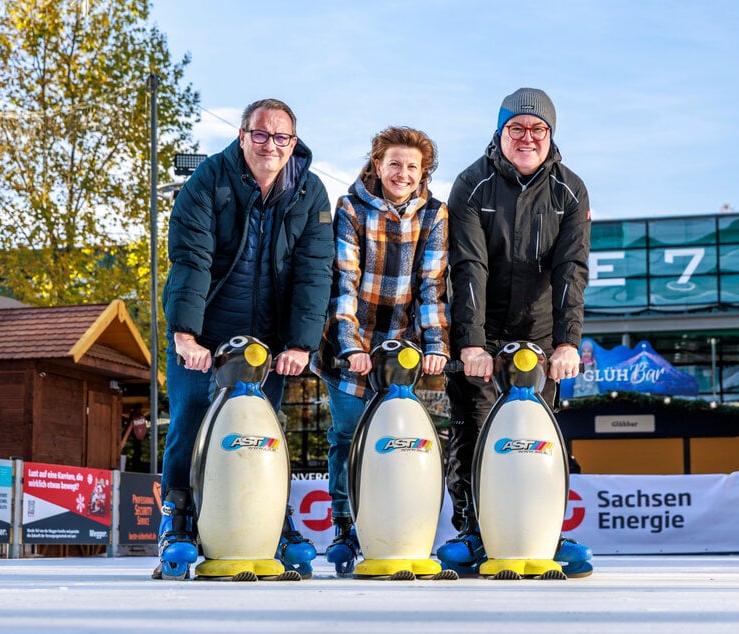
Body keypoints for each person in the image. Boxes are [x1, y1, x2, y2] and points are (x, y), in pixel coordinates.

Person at [158, 98, 335, 579]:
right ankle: (178, 522)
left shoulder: (310, 193)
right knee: (191, 423)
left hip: (268, 342)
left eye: (281, 137)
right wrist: (186, 335)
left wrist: (299, 344)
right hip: (207, 334)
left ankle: (272, 523)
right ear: (242, 136)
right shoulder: (208, 181)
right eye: (260, 134)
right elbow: (190, 259)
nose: (270, 145)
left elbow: (314, 273)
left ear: (293, 144)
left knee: (263, 432)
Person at [440, 87, 593, 577]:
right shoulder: (471, 184)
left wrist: (568, 343)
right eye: (517, 128)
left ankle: (542, 532)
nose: (527, 138)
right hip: (483, 326)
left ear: (550, 135)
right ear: (500, 131)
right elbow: (469, 266)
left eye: (538, 129)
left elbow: (572, 268)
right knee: (478, 428)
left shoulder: (571, 189)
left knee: (537, 436)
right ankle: (476, 531)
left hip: (542, 331)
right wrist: (471, 343)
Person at [310, 126, 450, 576]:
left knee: (398, 444)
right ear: (376, 165)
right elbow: (344, 283)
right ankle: (346, 527)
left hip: (401, 353)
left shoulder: (435, 215)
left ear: (423, 171)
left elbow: (431, 287)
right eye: (394, 164)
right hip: (352, 347)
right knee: (349, 437)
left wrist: (435, 346)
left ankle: (401, 525)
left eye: (412, 166)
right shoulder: (350, 207)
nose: (403, 173)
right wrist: (351, 346)